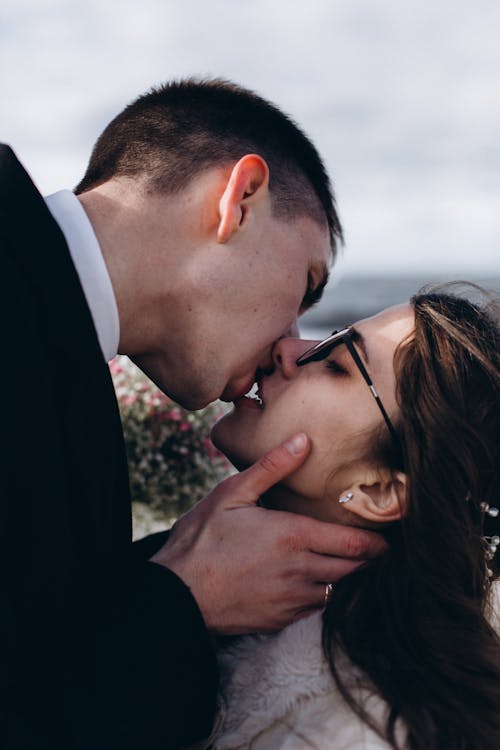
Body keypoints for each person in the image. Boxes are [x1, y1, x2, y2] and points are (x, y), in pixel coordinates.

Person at [0, 78, 386, 749]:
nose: (289, 344)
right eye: (307, 284)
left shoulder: (62, 361)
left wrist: (175, 566)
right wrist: (182, 599)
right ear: (239, 200)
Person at [207, 286, 500, 750]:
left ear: (378, 491)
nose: (288, 347)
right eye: (330, 339)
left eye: (338, 365)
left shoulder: (366, 730)